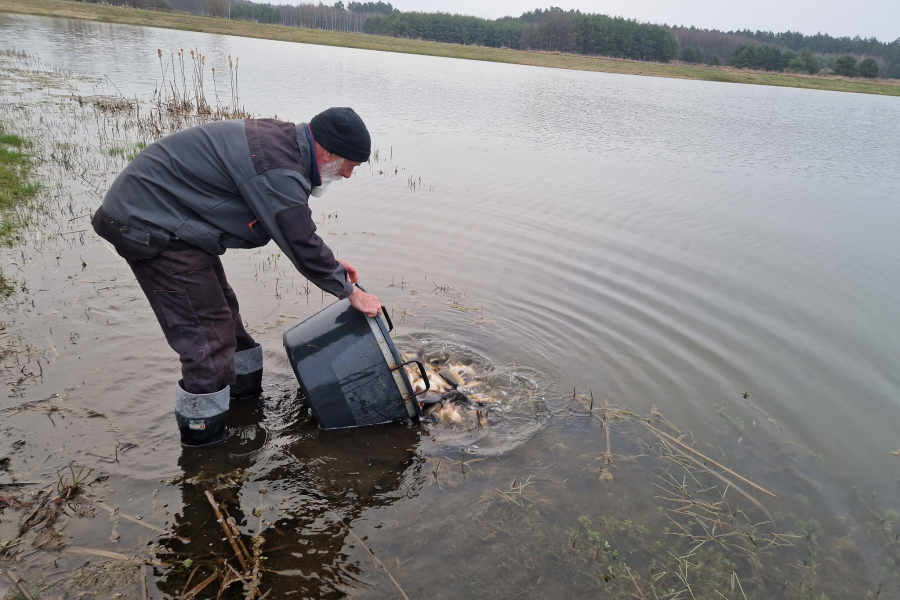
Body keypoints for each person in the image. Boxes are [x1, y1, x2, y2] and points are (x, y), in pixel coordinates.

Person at [91, 107, 382, 447]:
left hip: (177, 226)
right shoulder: (278, 167)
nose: (347, 175)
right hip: (148, 226)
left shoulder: (283, 146)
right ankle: (205, 450)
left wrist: (331, 265)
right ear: (328, 151)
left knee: (226, 317)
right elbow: (299, 239)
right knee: (207, 341)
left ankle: (246, 401)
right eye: (351, 165)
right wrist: (349, 291)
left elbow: (292, 229)